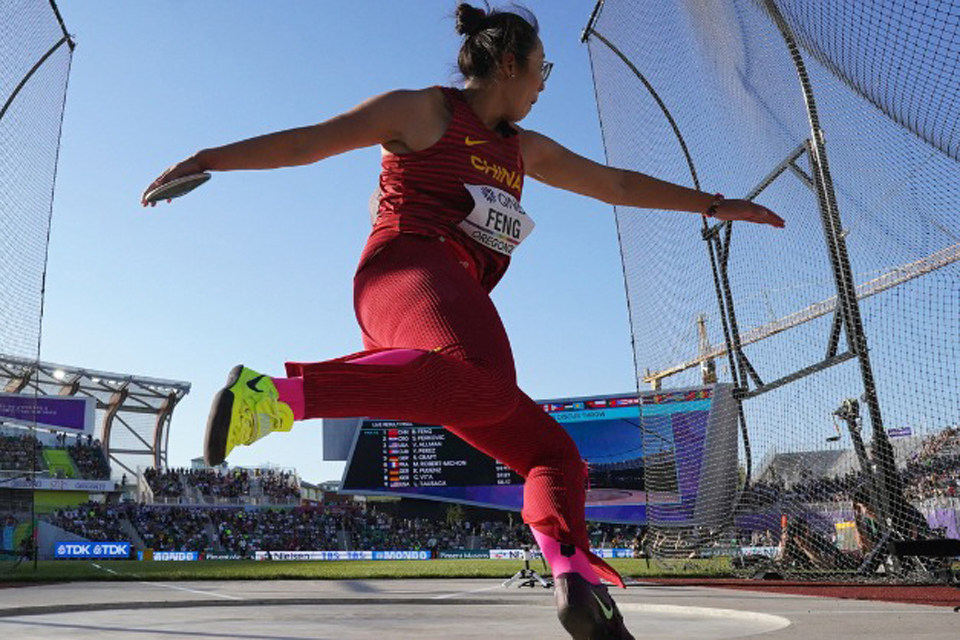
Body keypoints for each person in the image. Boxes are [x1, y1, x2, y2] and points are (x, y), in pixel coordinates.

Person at [142, 4, 784, 638]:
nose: (541, 85)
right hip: (402, 272)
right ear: (509, 63)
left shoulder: (523, 150)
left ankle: (574, 583)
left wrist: (714, 204)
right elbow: (310, 142)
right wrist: (209, 157)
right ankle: (275, 397)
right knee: (484, 381)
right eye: (541, 69)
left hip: (443, 315)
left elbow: (612, 183)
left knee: (554, 454)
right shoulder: (424, 112)